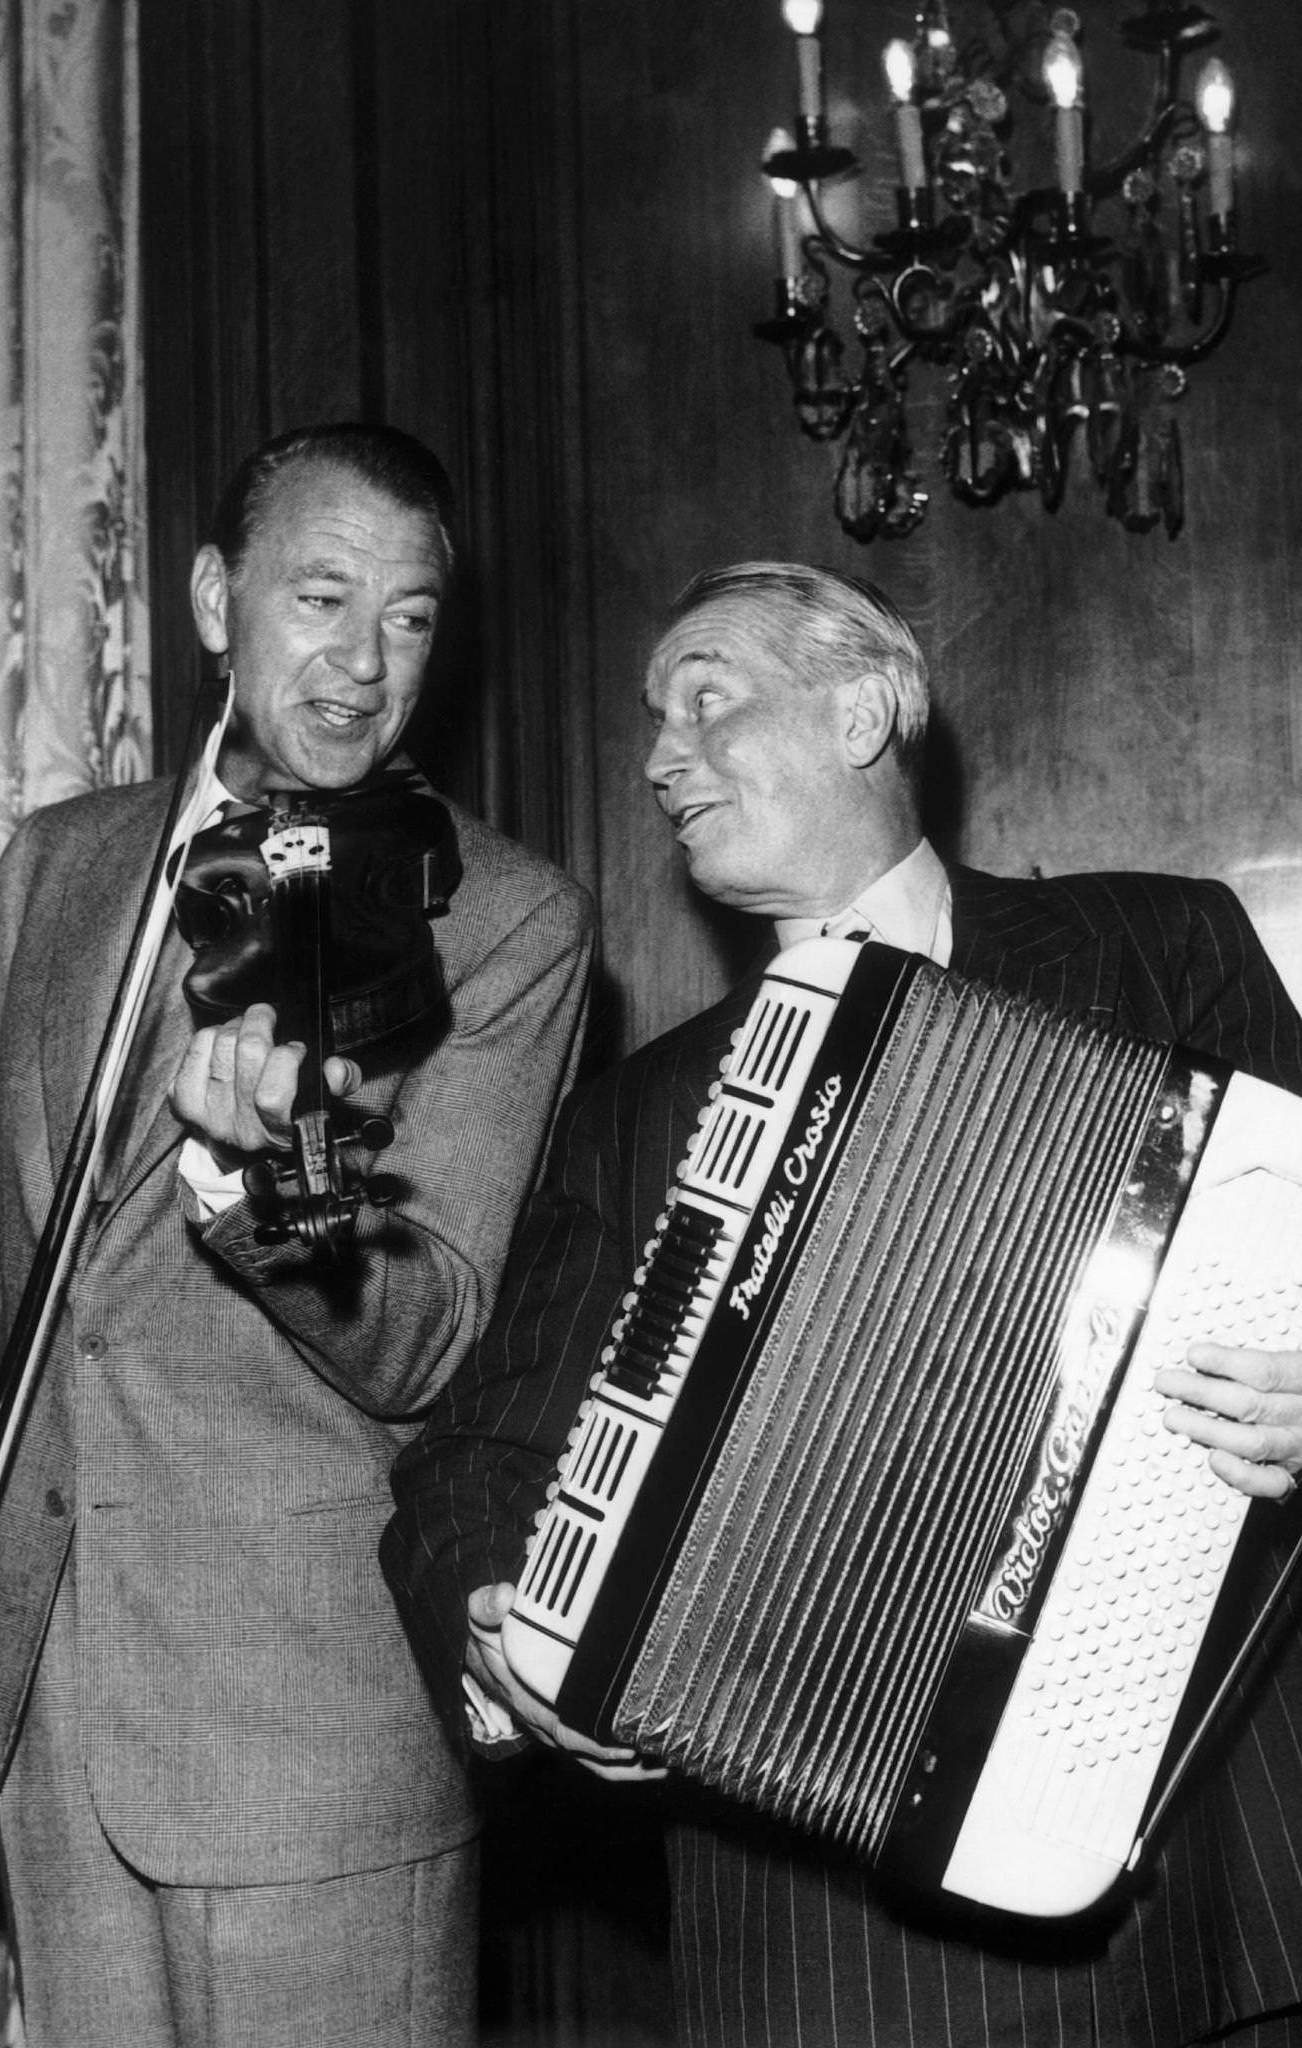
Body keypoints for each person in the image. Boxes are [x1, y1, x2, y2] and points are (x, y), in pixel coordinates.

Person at [382, 562, 1302, 2048]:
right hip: (824, 1953)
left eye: (707, 701)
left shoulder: (1160, 944)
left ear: (866, 711)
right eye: (652, 723)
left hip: (1198, 1898)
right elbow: (470, 1460)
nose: (660, 758)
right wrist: (505, 1627)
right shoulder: (634, 1116)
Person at [0, 422, 595, 2048]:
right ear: (214, 601)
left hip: (306, 1722)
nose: (366, 663)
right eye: (322, 598)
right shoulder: (57, 864)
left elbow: (432, 1332)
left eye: (410, 617)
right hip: (57, 1705)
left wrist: (262, 1190)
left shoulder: (506, 919)